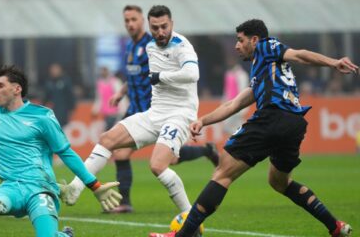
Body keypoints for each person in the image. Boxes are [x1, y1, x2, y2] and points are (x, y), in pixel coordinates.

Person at [149, 19, 358, 237]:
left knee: (222, 173)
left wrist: (333, 62)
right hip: (294, 124)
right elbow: (234, 104)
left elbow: (299, 54)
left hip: (272, 117)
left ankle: (182, 235)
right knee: (279, 182)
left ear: (255, 40)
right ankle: (335, 226)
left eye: (240, 40)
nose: (236, 46)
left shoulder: (266, 47)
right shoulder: (263, 70)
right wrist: (203, 121)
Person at [60, 5, 219, 214]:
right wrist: (122, 92)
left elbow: (192, 74)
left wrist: (160, 77)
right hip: (153, 113)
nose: (160, 32)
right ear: (150, 26)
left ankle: (189, 219)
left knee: (158, 165)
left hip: (179, 115)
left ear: (171, 24)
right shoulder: (150, 47)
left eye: (164, 26)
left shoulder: (182, 46)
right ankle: (75, 189)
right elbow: (138, 77)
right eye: (156, 28)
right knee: (107, 140)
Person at [0, 65, 122, 237]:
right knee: (1, 198)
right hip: (10, 187)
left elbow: (65, 152)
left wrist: (94, 185)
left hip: (41, 188)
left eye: (0, 85)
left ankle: (62, 235)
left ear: (17, 89)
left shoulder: (42, 116)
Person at [42, 63, 76, 127]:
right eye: (52, 70)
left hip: (64, 109)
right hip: (53, 109)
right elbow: (46, 97)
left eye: (55, 69)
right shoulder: (49, 82)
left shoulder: (65, 81)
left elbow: (70, 95)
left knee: (62, 126)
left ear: (60, 70)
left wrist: (72, 108)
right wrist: (42, 106)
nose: (54, 71)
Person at [92, 66, 125, 131]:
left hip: (115, 112)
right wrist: (95, 110)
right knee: (108, 129)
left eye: (104, 71)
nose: (102, 73)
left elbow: (121, 96)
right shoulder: (99, 83)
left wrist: (123, 110)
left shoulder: (115, 82)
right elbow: (99, 98)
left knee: (111, 130)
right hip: (105, 113)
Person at [222, 56, 249, 135]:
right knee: (228, 130)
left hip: (238, 107)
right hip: (229, 106)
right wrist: (223, 104)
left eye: (231, 60)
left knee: (238, 130)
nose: (229, 62)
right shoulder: (228, 74)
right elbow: (226, 90)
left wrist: (243, 109)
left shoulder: (242, 75)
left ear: (235, 61)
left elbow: (244, 91)